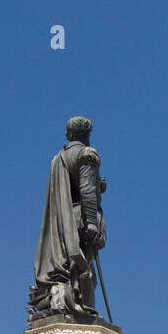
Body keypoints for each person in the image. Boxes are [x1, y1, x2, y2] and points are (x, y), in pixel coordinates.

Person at [29, 116, 108, 319]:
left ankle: (69, 302)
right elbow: (87, 189)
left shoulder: (58, 159)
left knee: (72, 264)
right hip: (81, 217)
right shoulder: (87, 154)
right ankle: (80, 305)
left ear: (68, 135)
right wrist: (91, 221)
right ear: (88, 135)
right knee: (82, 265)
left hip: (63, 220)